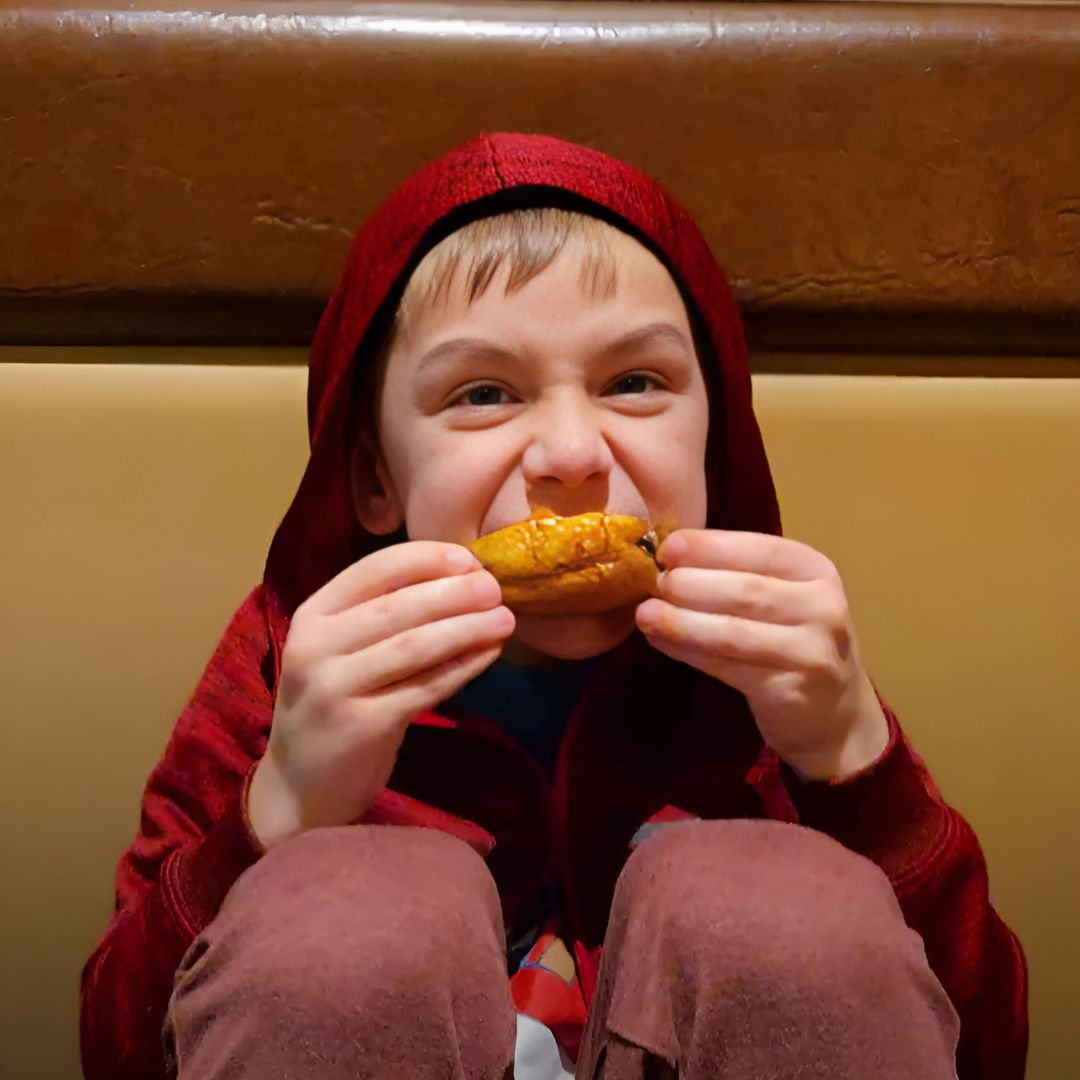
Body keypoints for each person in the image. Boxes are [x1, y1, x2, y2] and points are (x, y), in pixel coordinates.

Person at [79, 133, 1027, 1080]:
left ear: (715, 443)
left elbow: (984, 1046)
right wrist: (280, 807)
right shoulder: (287, 667)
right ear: (375, 477)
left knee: (777, 905)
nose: (572, 454)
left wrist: (856, 763)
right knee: (348, 912)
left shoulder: (775, 679)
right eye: (483, 393)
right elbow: (118, 1047)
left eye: (636, 383)